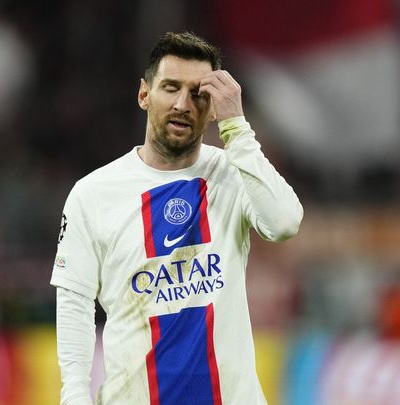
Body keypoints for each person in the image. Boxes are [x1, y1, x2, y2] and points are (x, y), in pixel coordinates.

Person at [50, 31, 303, 405]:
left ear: (213, 106)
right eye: (170, 88)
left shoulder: (232, 173)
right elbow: (75, 303)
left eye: (198, 93)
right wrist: (74, 396)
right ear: (143, 94)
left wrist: (236, 127)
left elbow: (284, 223)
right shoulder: (93, 194)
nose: (183, 104)